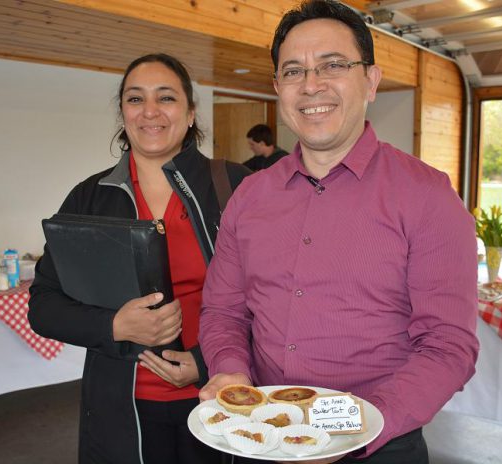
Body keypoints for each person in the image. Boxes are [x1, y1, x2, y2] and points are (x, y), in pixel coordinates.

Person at [198, 1, 479, 463]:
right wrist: (230, 372)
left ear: (370, 81)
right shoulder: (249, 197)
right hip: (264, 436)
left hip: (381, 446)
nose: (311, 85)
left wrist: (358, 429)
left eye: (333, 65)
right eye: (293, 71)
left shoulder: (428, 196)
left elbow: (448, 347)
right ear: (278, 88)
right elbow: (224, 312)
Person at [28, 53, 250, 464]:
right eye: (135, 99)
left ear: (189, 113)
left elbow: (275, 300)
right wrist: (113, 325)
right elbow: (43, 307)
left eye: (165, 98)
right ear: (122, 112)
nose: (150, 112)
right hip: (122, 407)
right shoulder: (90, 199)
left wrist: (205, 364)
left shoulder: (236, 187)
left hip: (219, 397)